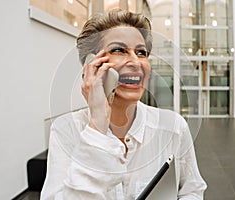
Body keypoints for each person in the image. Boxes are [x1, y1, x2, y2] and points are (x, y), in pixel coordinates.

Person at [41, 9, 207, 200]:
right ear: (91, 64)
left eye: (141, 52)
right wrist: (97, 126)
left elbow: (192, 191)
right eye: (119, 50)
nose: (136, 62)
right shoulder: (65, 130)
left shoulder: (174, 128)